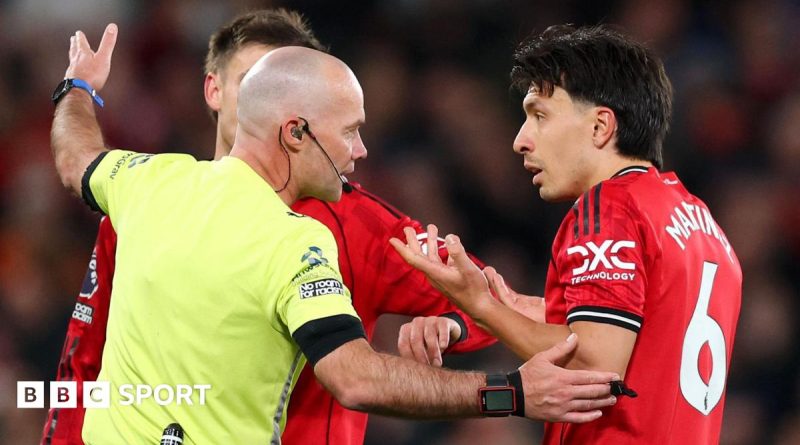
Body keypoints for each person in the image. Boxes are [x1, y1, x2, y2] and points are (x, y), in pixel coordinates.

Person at [49, 23, 619, 443]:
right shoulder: (294, 241)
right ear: (293, 131)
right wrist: (511, 394)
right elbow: (354, 376)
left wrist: (77, 89)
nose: (362, 150)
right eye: (349, 132)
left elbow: (78, 158)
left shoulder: (149, 180)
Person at [393, 24, 742, 444]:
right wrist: (496, 307)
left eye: (539, 115)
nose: (521, 140)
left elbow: (593, 368)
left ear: (600, 127)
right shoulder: (697, 219)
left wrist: (482, 305)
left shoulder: (608, 207)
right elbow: (615, 322)